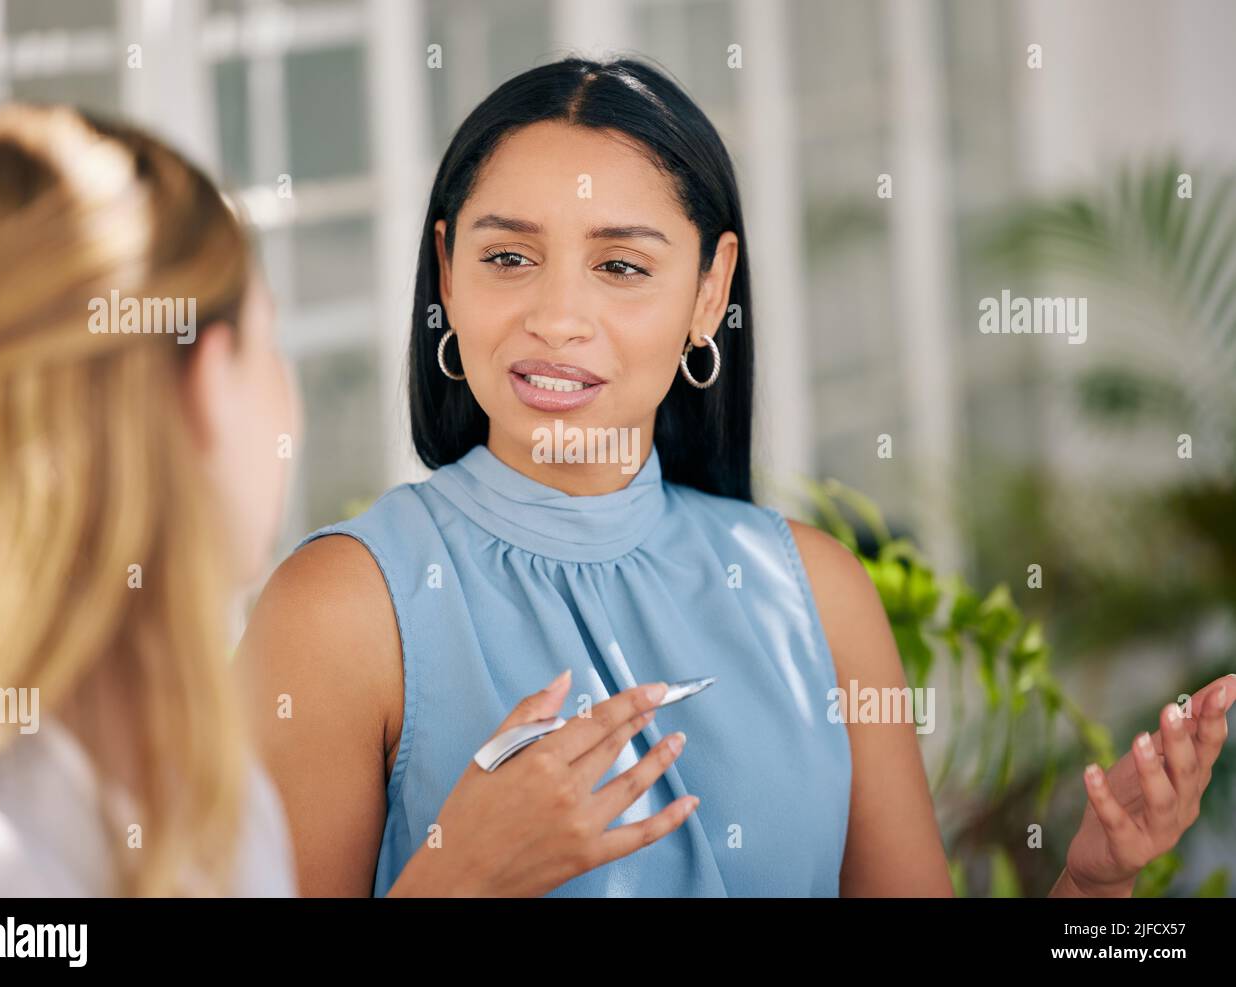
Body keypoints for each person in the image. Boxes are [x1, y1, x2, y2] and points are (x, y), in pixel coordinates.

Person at [239, 56, 1236, 897]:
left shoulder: (816, 593)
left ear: (708, 292)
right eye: (508, 258)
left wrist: (1094, 888)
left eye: (621, 267)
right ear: (447, 271)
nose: (555, 317)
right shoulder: (341, 611)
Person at [0, 104, 689, 896]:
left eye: (621, 265)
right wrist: (459, 878)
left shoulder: (187, 799)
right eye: (271, 341)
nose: (560, 319)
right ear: (203, 392)